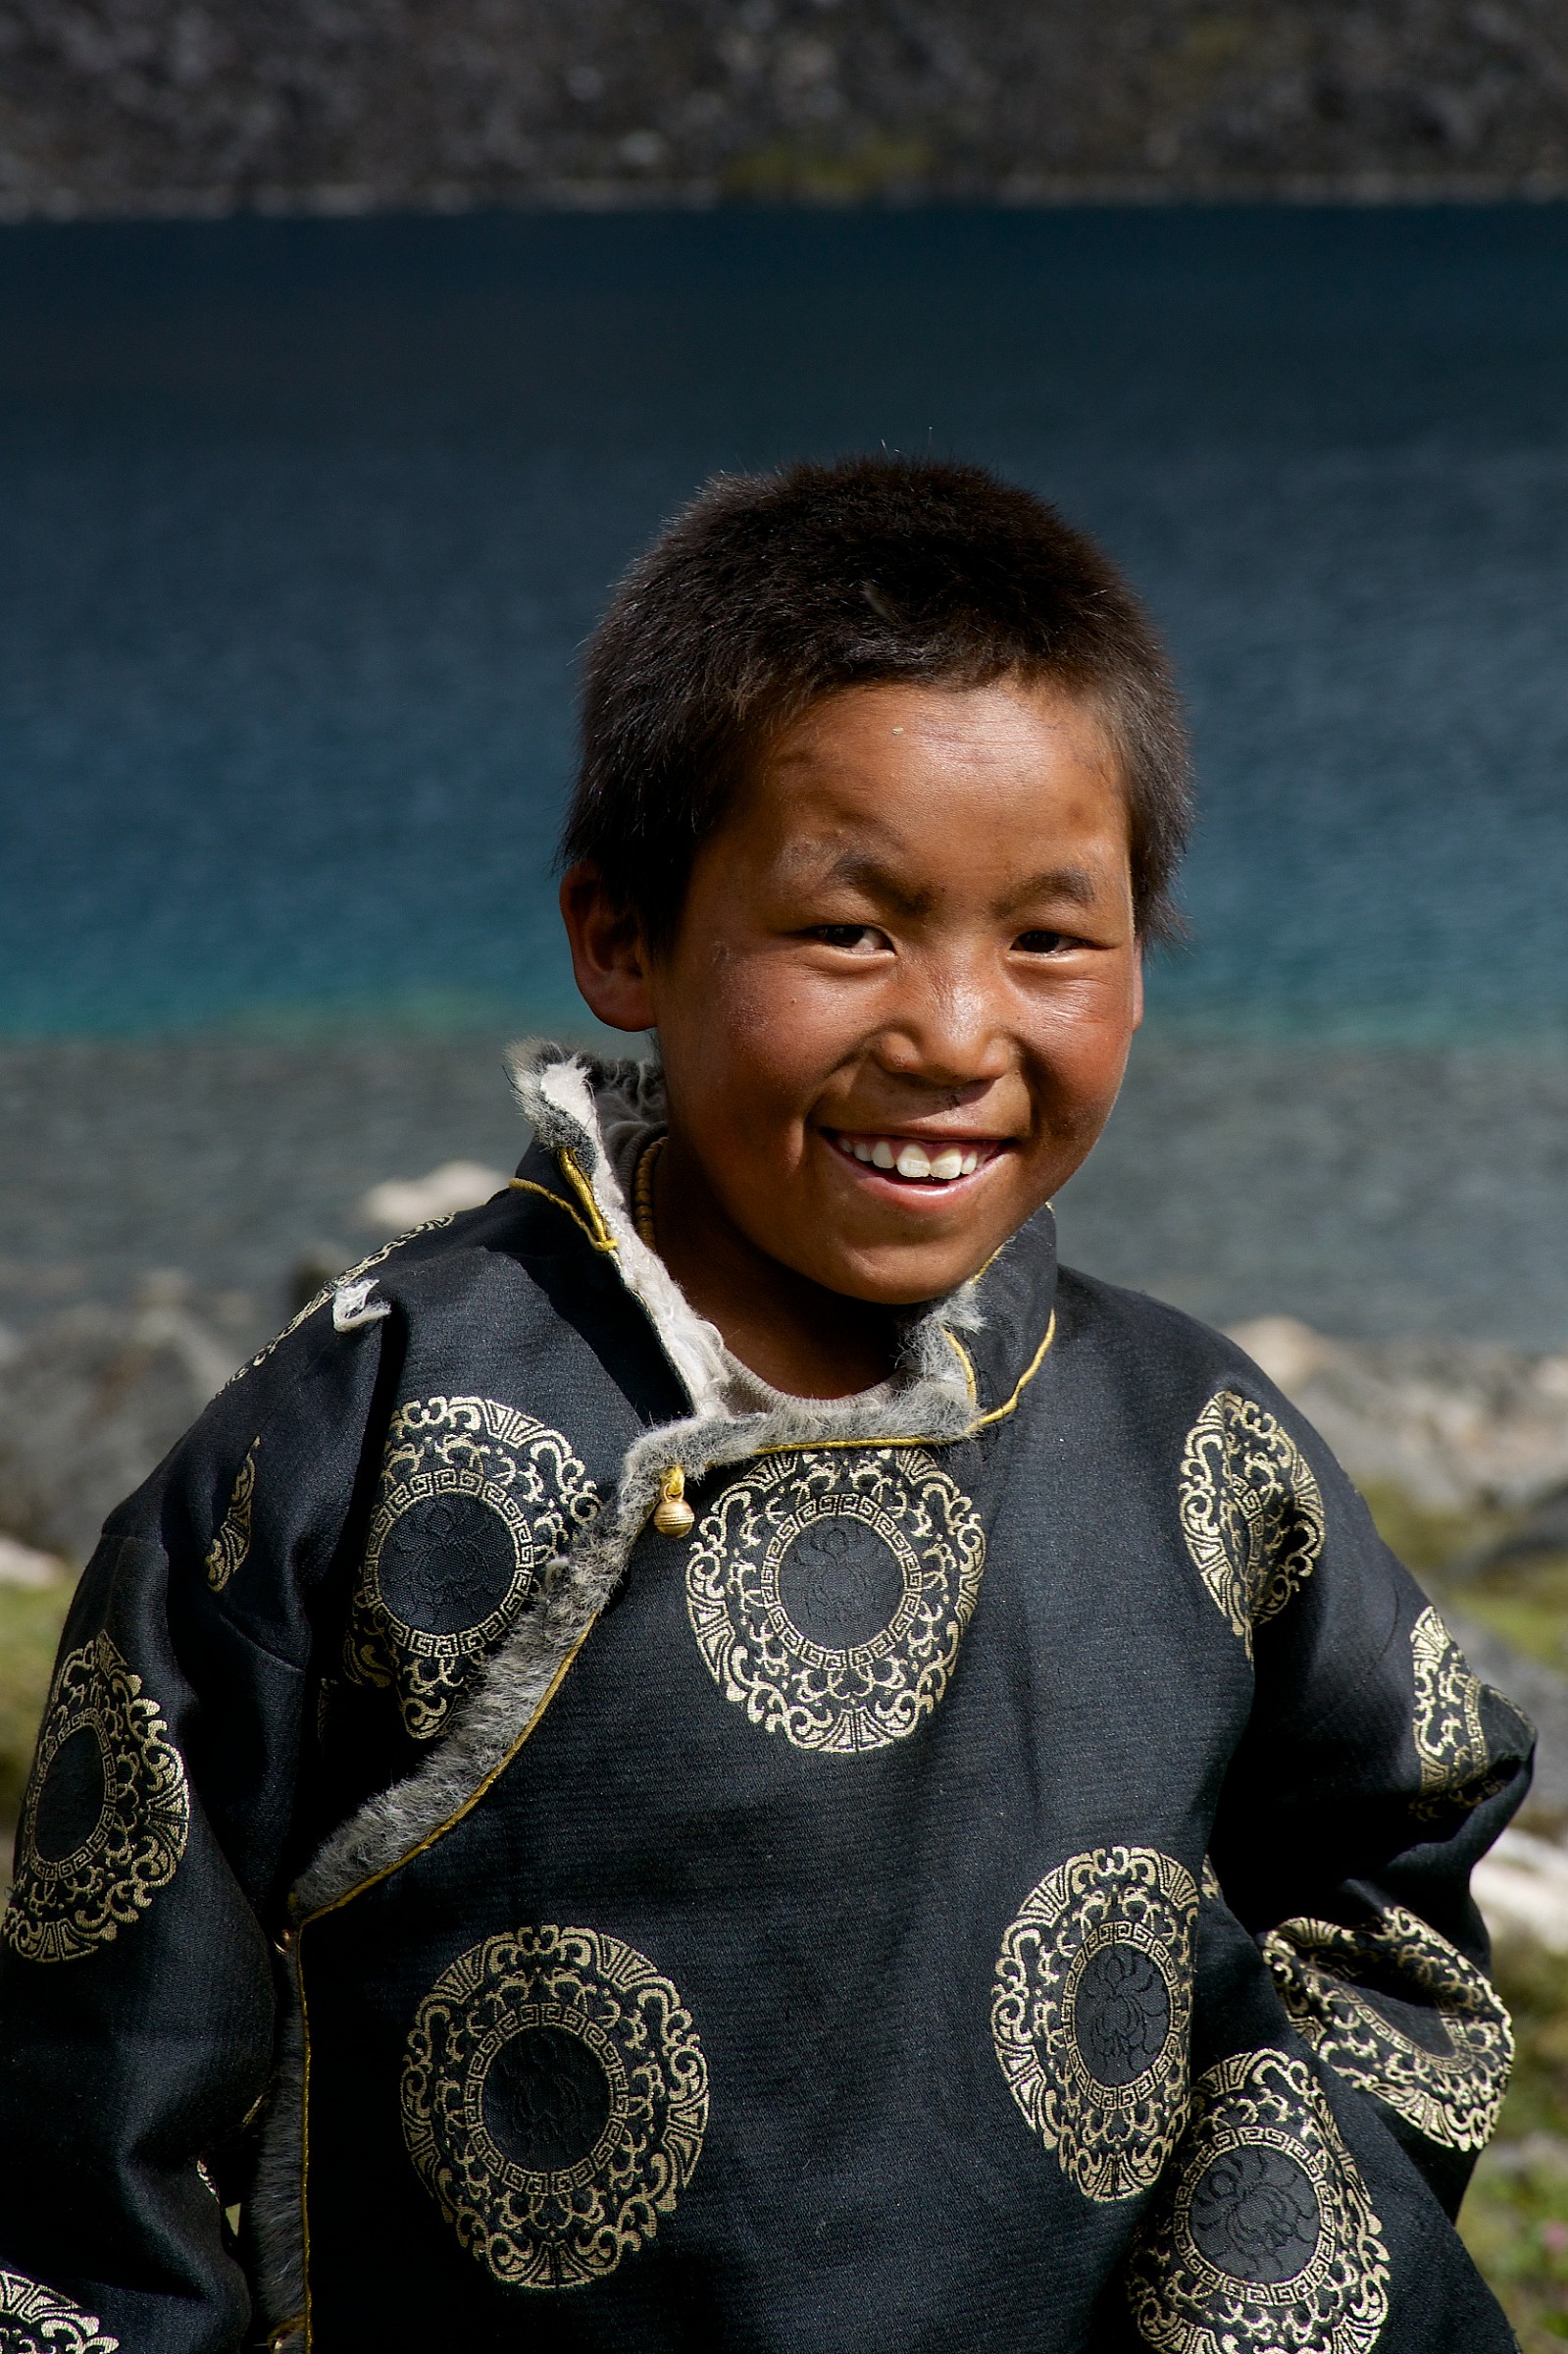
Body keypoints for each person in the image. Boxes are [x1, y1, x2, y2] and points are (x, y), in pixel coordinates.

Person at [0, 456, 1532, 2354]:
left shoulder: (1196, 1446)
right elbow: (96, 2113)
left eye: (1053, 939)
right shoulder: (354, 1442)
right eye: (850, 931)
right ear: (623, 937)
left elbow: (1398, 1873)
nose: (955, 1034)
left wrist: (1259, 2267)